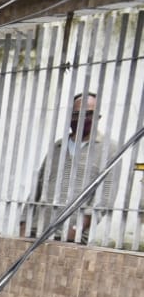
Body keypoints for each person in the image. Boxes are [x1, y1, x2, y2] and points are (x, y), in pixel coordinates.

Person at [20, 92, 122, 244]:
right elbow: (37, 187)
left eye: (87, 113)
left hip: (73, 239)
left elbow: (103, 199)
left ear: (97, 117)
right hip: (36, 232)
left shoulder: (110, 149)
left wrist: (75, 231)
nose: (81, 118)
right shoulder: (58, 146)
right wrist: (23, 225)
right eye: (76, 113)